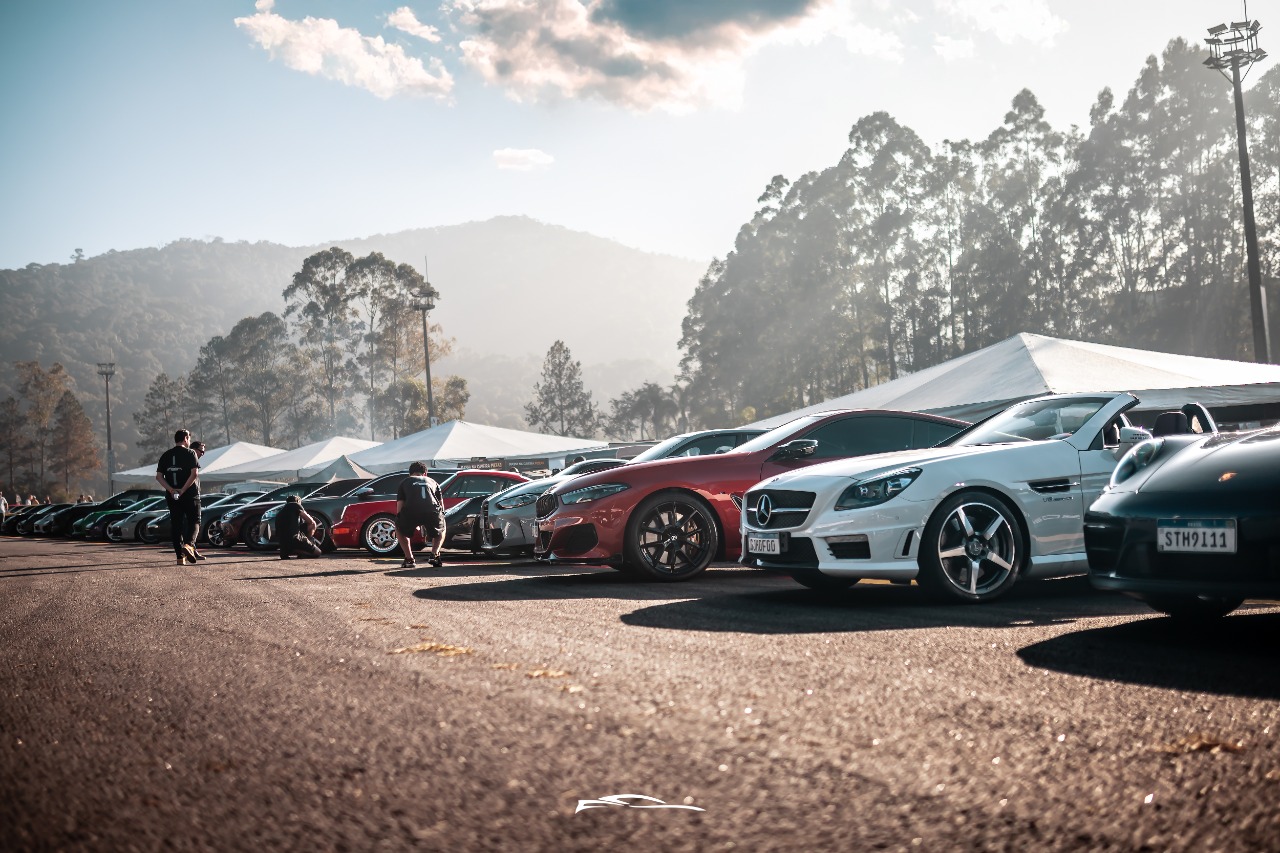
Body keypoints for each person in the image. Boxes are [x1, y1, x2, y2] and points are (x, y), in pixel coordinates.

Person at [155, 428, 201, 565]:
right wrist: (183, 489)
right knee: (195, 520)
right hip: (190, 494)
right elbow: (194, 474)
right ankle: (189, 545)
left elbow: (159, 477)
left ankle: (180, 557)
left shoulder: (166, 455)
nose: (189, 441)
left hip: (172, 496)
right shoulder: (191, 453)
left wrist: (171, 490)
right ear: (186, 439)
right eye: (189, 439)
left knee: (176, 524)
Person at [395, 461, 444, 569]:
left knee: (399, 529)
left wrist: (401, 520)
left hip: (411, 510)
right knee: (441, 529)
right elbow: (441, 505)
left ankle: (409, 559)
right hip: (432, 511)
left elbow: (400, 506)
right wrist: (441, 519)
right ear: (425, 473)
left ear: (410, 474)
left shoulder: (405, 482)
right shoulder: (433, 482)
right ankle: (435, 554)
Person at [276, 495, 322, 559]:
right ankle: (299, 549)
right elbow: (311, 522)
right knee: (318, 552)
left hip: (282, 543)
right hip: (294, 539)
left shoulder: (281, 511)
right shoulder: (295, 505)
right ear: (298, 501)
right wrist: (309, 538)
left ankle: (289, 550)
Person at [187, 442, 208, 561]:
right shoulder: (189, 461)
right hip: (191, 497)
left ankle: (191, 548)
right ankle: (189, 546)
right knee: (195, 522)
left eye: (204, 451)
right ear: (193, 449)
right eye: (201, 451)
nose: (202, 454)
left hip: (191, 496)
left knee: (190, 524)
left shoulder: (192, 462)